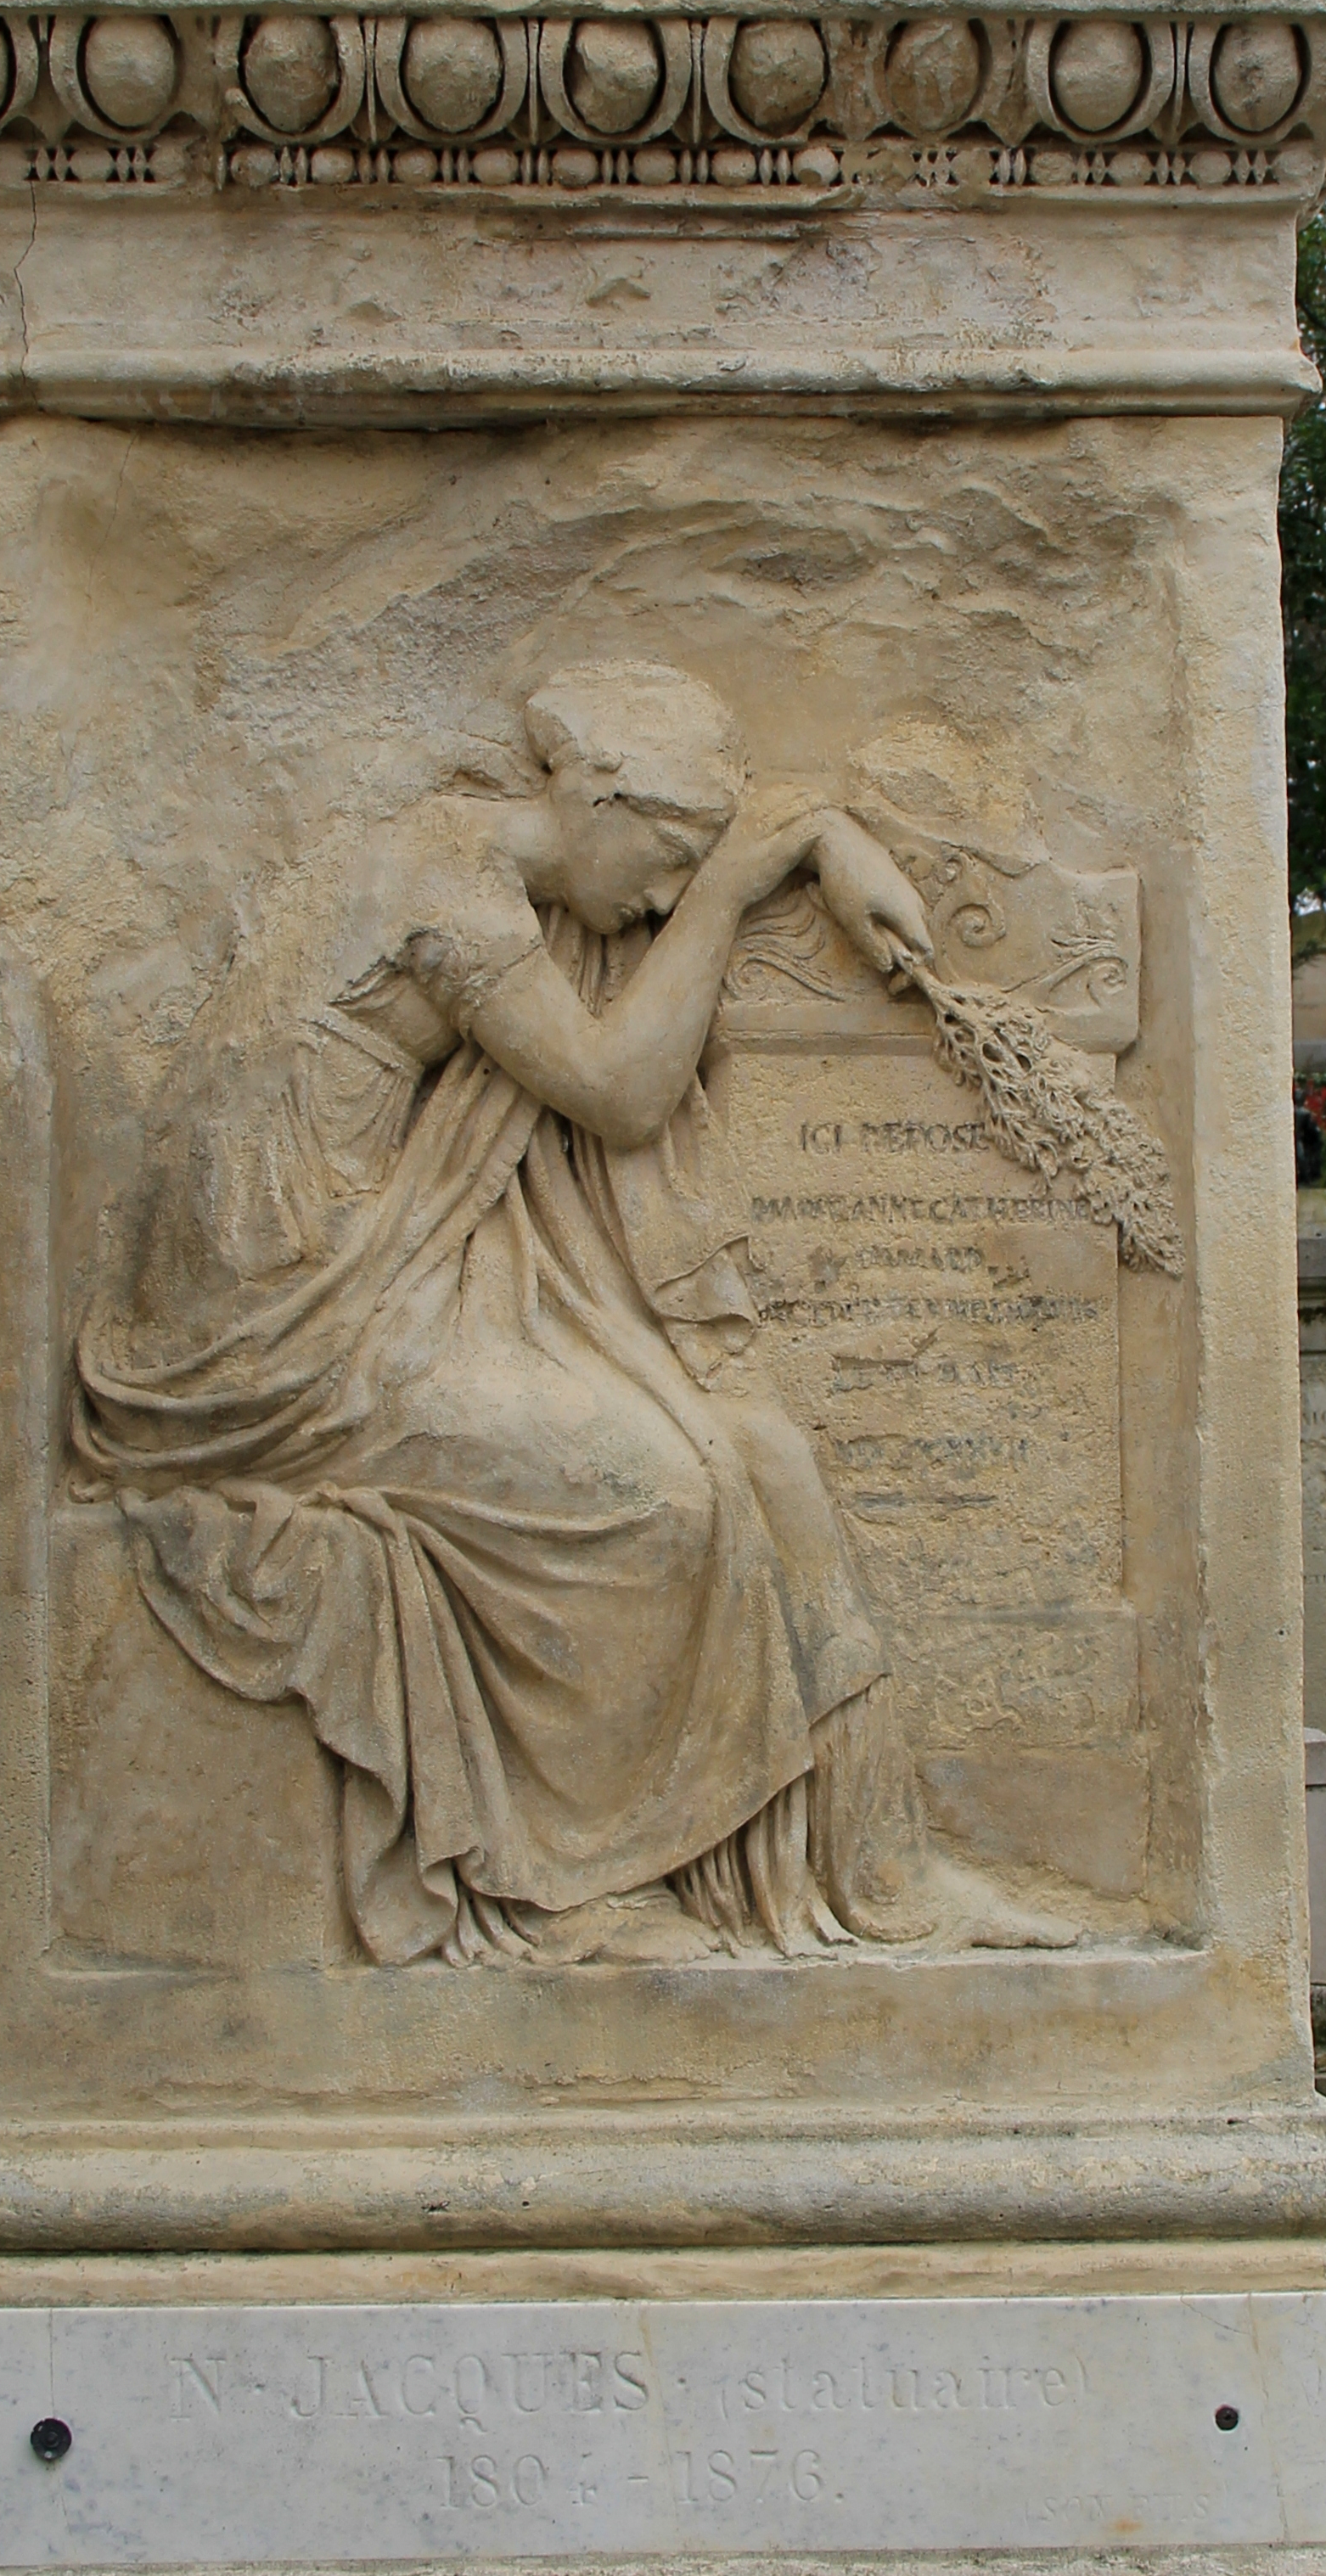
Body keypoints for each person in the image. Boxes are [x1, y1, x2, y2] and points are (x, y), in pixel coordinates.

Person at [75, 659, 1075, 1962]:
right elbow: (616, 1088)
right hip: (277, 1332)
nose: (660, 897)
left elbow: (619, 999)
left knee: (762, 1451)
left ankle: (884, 1868)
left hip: (381, 1273)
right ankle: (581, 1880)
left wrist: (828, 832)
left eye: (686, 872)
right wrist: (728, 890)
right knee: (658, 1495)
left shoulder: (478, 865)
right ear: (600, 793)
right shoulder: (443, 880)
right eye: (666, 856)